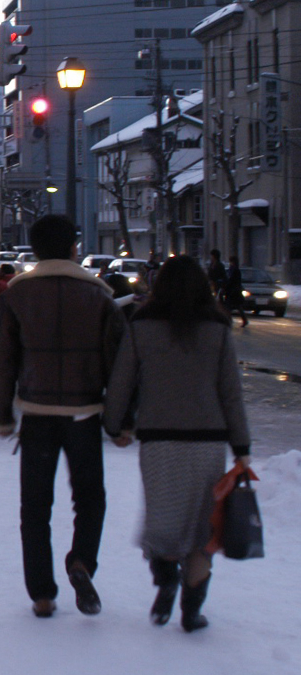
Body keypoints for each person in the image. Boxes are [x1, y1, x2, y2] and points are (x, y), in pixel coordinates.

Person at [0, 215, 126, 619]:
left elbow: (1, 359)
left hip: (37, 415)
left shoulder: (17, 295)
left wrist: (2, 412)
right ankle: (81, 561)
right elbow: (118, 364)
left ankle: (42, 594)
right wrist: (120, 422)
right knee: (91, 499)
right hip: (84, 414)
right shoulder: (98, 295)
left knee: (35, 507)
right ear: (72, 248)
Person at [103, 255, 251, 632]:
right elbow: (230, 393)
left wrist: (115, 423)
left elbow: (123, 380)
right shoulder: (217, 328)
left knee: (165, 519)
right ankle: (192, 610)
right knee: (203, 530)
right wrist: (241, 446)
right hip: (208, 441)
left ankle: (166, 577)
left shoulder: (143, 325)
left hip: (159, 440)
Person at [225, 255, 249, 327]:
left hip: (234, 291)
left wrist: (227, 285)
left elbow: (232, 280)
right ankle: (243, 320)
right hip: (235, 290)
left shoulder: (234, 270)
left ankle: (229, 321)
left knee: (229, 306)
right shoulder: (234, 269)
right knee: (237, 306)